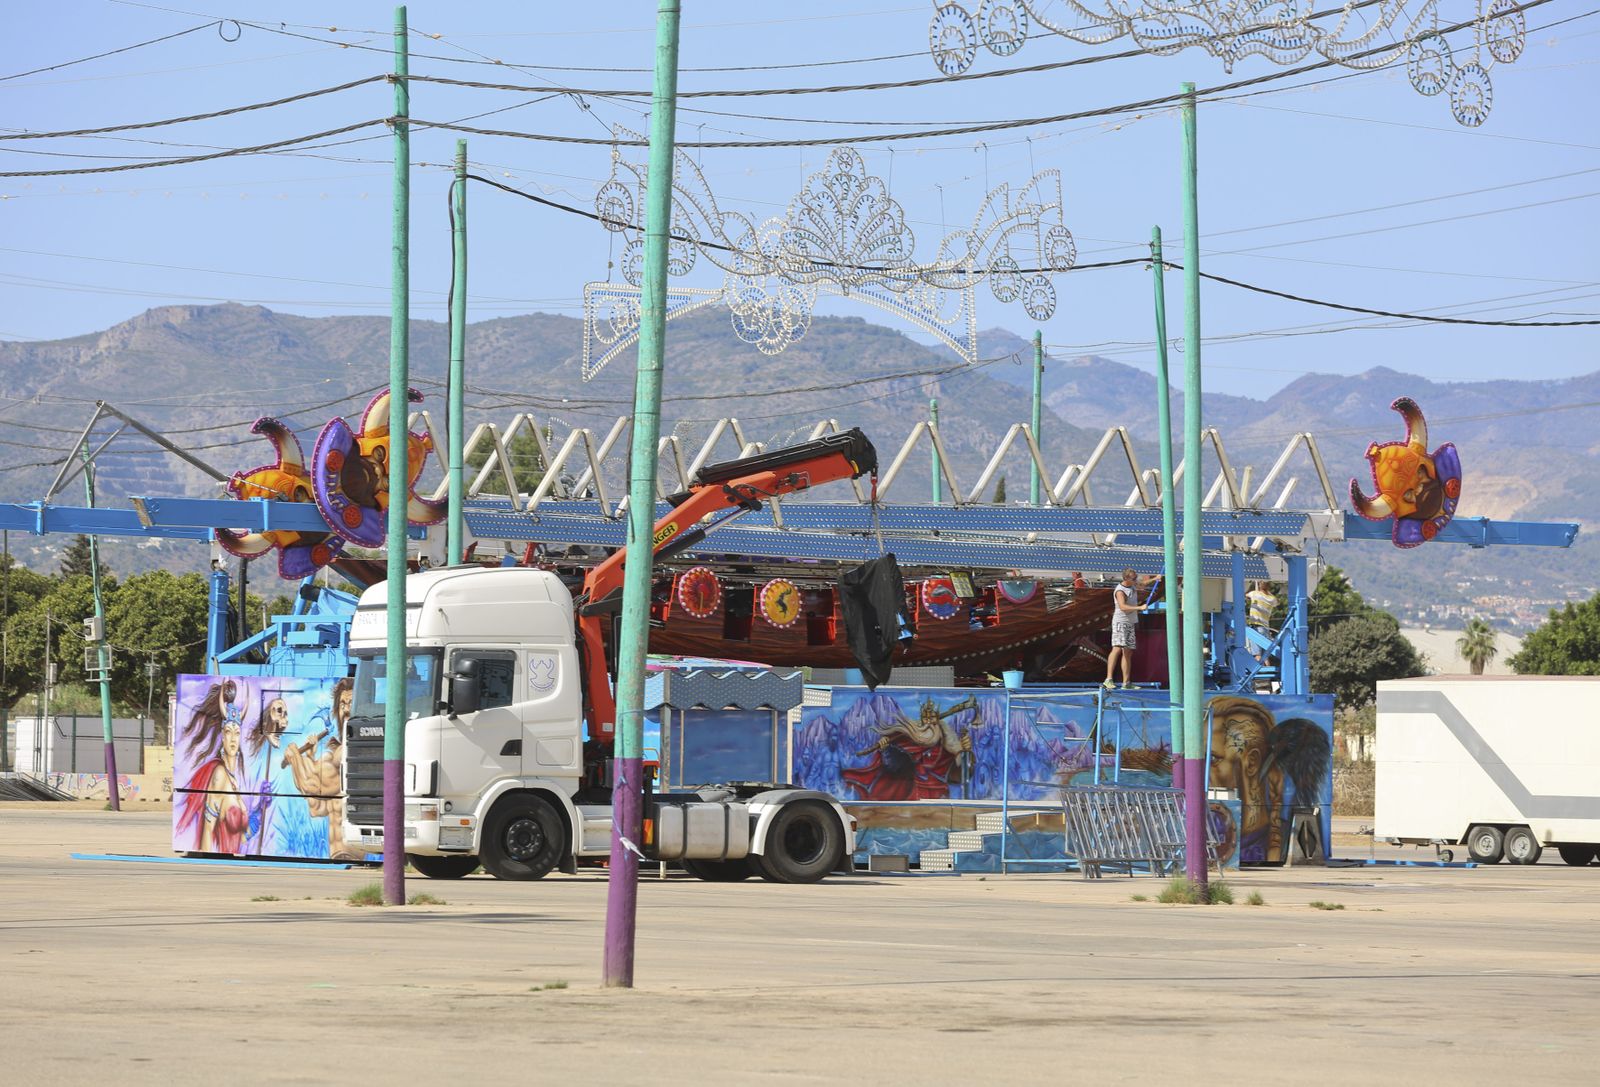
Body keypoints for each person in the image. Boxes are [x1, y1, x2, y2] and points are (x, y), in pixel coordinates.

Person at [1103, 567, 1140, 690]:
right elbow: (1123, 607)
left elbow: (1143, 584)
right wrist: (1139, 608)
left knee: (1128, 651)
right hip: (1121, 622)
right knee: (1117, 648)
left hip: (1130, 623)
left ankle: (1126, 682)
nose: (1136, 580)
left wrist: (1155, 579)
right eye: (1134, 578)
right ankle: (1108, 679)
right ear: (1126, 578)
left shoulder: (1133, 585)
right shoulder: (1120, 591)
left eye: (1136, 577)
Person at [1246, 581, 1278, 658]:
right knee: (1265, 656)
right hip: (1266, 628)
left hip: (1256, 628)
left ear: (1259, 586)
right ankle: (1268, 669)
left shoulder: (1255, 594)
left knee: (1257, 654)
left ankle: (1259, 670)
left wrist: (1253, 586)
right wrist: (1268, 592)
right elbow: (1277, 602)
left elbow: (1245, 595)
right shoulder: (1272, 599)